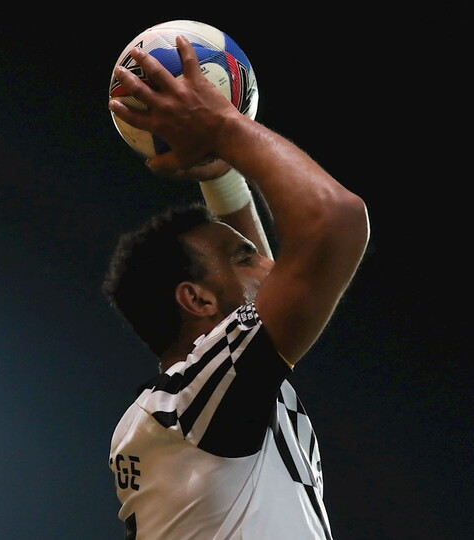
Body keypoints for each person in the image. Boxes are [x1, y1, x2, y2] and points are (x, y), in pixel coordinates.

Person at [103, 35, 370, 539]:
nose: (271, 263)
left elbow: (262, 283)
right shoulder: (194, 398)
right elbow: (337, 221)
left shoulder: (195, 401)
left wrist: (222, 175)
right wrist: (224, 127)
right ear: (197, 299)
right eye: (247, 258)